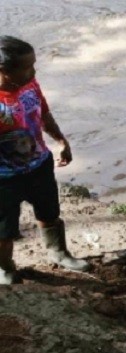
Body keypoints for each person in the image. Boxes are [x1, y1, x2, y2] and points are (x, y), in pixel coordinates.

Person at [0, 36, 89, 285]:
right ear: (4, 71)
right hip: (4, 178)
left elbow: (44, 114)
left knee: (49, 212)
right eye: (27, 67)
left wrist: (61, 142)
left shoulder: (30, 85)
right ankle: (5, 268)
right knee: (4, 230)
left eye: (34, 64)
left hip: (39, 164)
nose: (33, 71)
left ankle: (59, 252)